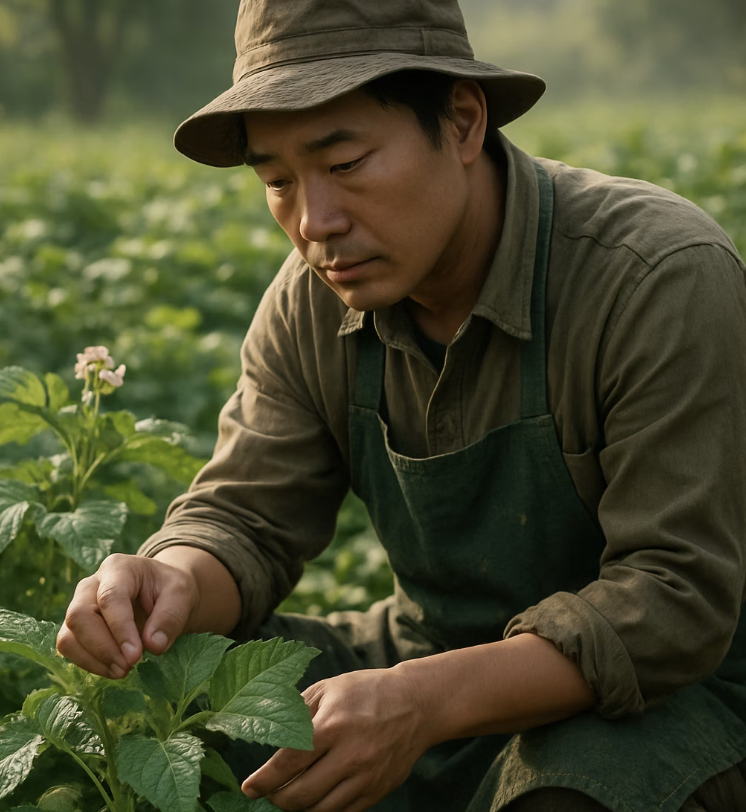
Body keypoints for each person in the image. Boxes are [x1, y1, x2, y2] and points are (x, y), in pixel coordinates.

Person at [56, 0, 746, 810]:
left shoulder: (652, 275)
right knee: (190, 692)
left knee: (572, 791)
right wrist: (162, 585)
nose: (315, 223)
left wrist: (425, 702)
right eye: (277, 180)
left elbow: (674, 599)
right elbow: (245, 519)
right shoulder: (311, 304)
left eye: (344, 163)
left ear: (460, 122)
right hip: (427, 661)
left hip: (672, 705)